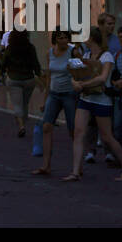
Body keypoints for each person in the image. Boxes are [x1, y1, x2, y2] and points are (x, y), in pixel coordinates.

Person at [64, 25, 122, 181]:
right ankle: (75, 171)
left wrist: (82, 85)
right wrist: (74, 82)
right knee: (79, 133)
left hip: (101, 100)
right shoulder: (86, 54)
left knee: (107, 136)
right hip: (86, 98)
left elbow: (103, 78)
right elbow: (76, 73)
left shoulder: (106, 56)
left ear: (91, 38)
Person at [33, 31, 78, 177]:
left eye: (65, 37)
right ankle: (46, 165)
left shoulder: (73, 51)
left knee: (73, 130)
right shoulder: (50, 53)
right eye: (60, 37)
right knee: (46, 126)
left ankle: (77, 167)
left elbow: (81, 71)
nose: (63, 40)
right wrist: (45, 99)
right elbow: (49, 77)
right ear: (55, 39)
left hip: (69, 95)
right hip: (54, 94)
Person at [1, 29, 41, 137]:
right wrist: (39, 75)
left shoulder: (10, 48)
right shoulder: (30, 48)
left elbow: (3, 62)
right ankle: (23, 121)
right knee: (25, 103)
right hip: (28, 79)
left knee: (17, 104)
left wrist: (2, 73)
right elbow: (35, 63)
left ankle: (21, 126)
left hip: (14, 79)